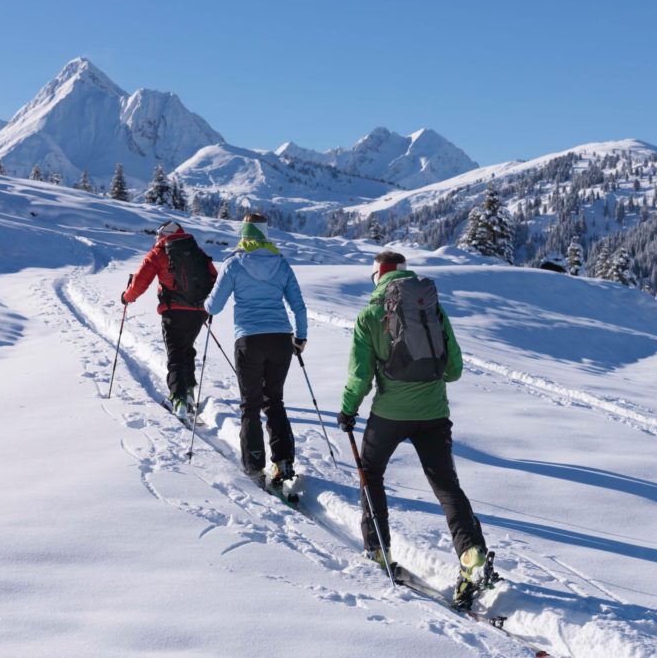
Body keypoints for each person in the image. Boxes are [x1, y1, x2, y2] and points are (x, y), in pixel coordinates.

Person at [337, 250, 488, 606]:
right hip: (434, 413)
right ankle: (471, 557)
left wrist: (347, 410)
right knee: (447, 488)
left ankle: (377, 549)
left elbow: (360, 377)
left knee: (371, 473)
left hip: (389, 414)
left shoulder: (370, 316)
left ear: (377, 276)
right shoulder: (432, 308)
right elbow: (454, 369)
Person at [204, 213, 307, 488]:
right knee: (274, 401)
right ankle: (284, 461)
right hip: (281, 339)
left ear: (244, 235)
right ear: (265, 234)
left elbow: (214, 306)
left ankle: (254, 465)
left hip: (249, 339)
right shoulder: (282, 264)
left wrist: (205, 307)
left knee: (250, 404)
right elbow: (298, 305)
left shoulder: (234, 264)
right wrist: (301, 337)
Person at [122, 220, 217, 418]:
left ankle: (178, 398)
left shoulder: (158, 253)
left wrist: (126, 297)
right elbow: (213, 276)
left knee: (175, 355)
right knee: (187, 349)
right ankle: (189, 391)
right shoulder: (195, 250)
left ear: (162, 234)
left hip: (173, 311)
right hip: (198, 311)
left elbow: (140, 282)